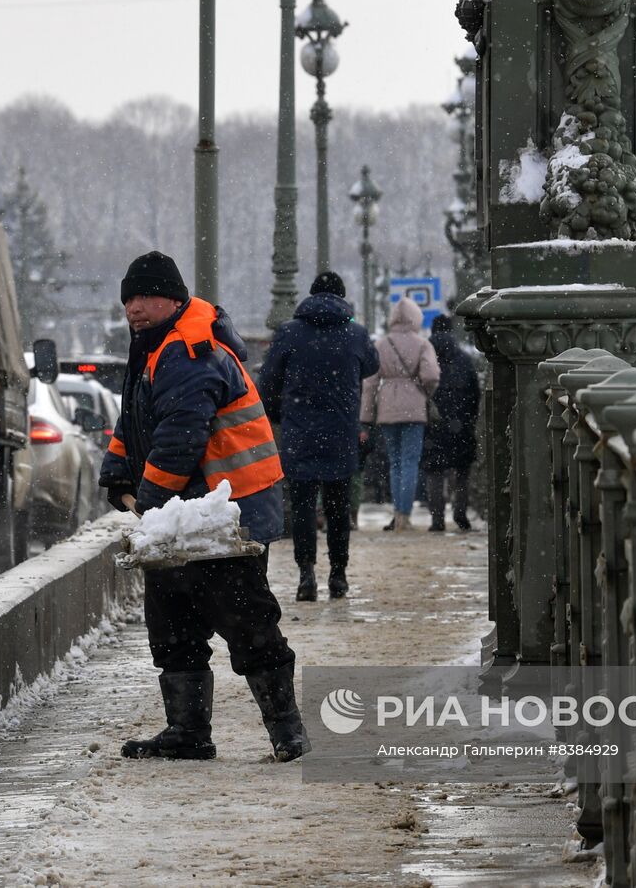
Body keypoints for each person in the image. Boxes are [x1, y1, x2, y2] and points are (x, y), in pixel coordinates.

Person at [99, 250, 310, 763]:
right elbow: (138, 421)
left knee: (247, 622)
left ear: (173, 299)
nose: (135, 307)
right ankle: (188, 732)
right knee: (173, 622)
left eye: (146, 296)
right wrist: (116, 468)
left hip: (224, 513)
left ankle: (288, 733)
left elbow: (178, 438)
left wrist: (148, 505)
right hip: (188, 511)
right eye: (129, 298)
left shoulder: (190, 350)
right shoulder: (153, 348)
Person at [257, 271, 379, 601]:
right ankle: (338, 575)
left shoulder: (289, 333)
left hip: (300, 434)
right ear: (342, 298)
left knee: (302, 507)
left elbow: (267, 382)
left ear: (310, 296)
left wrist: (280, 415)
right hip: (341, 433)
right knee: (339, 509)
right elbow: (372, 364)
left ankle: (306, 574)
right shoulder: (354, 333)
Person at [360, 297, 440, 531]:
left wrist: (365, 416)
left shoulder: (381, 345)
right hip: (414, 407)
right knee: (410, 462)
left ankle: (397, 513)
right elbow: (432, 376)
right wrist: (424, 391)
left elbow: (370, 383)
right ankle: (405, 515)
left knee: (395, 463)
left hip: (387, 407)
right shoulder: (422, 344)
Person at [421, 315, 480, 532]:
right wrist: (469, 418)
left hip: (433, 422)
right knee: (461, 470)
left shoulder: (426, 358)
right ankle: (460, 513)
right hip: (461, 422)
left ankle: (437, 519)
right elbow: (475, 393)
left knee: (434, 472)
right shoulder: (464, 359)